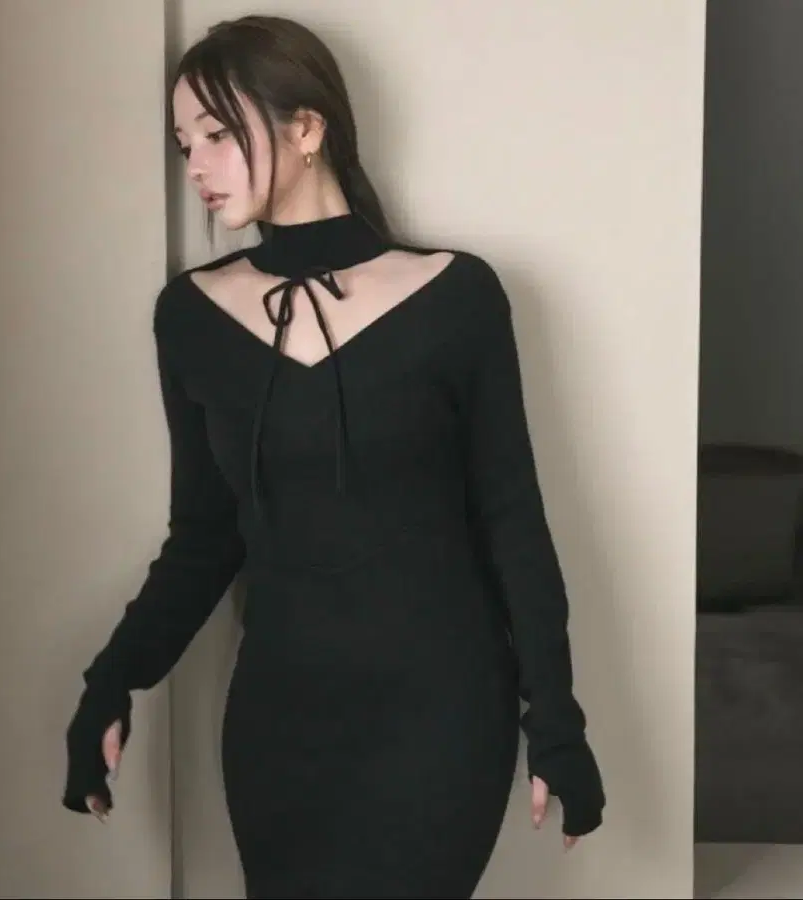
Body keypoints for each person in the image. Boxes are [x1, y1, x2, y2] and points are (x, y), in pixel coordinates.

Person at [62, 13, 605, 898]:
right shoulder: (190, 317)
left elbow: (512, 522)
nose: (195, 165)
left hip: (442, 712)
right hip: (281, 720)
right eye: (182, 143)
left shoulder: (457, 296)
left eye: (216, 134)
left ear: (307, 128)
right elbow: (204, 537)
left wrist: (556, 721)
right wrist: (111, 682)